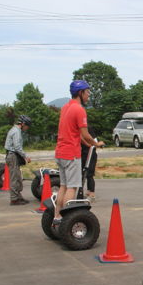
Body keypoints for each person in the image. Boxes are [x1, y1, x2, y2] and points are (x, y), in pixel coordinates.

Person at [53, 80, 104, 225]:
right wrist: (96, 143)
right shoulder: (79, 109)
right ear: (80, 93)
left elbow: (78, 135)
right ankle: (67, 220)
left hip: (60, 152)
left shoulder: (65, 108)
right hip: (71, 154)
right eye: (87, 92)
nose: (88, 95)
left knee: (63, 186)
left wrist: (88, 144)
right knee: (72, 187)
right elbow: (86, 134)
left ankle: (57, 217)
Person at [5, 115, 32, 205]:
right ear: (23, 124)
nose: (27, 128)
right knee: (15, 178)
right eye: (27, 126)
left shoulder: (15, 130)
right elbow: (17, 147)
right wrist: (26, 156)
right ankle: (14, 199)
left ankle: (18, 197)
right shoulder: (16, 132)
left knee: (18, 177)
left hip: (13, 155)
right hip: (13, 156)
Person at [83, 124, 99, 203]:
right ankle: (87, 191)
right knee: (82, 173)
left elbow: (95, 141)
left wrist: (95, 144)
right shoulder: (78, 128)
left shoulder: (88, 128)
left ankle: (91, 193)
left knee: (89, 173)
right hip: (81, 154)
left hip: (90, 154)